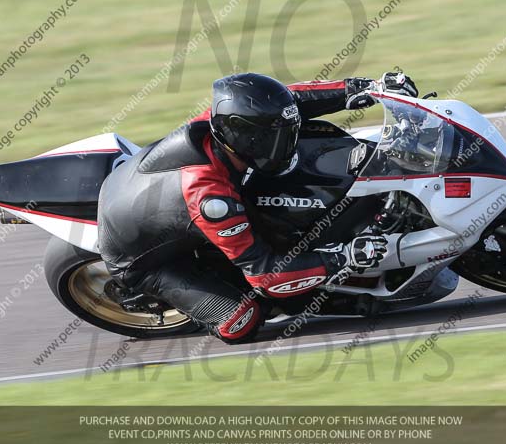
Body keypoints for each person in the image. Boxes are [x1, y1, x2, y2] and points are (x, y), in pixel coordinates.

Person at [97, 72, 418, 343]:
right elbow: (266, 276)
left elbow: (288, 101)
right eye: (274, 136)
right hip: (142, 261)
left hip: (141, 194)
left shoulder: (221, 124)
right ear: (245, 137)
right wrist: (343, 257)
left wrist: (366, 88)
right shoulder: (211, 198)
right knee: (241, 323)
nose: (287, 140)